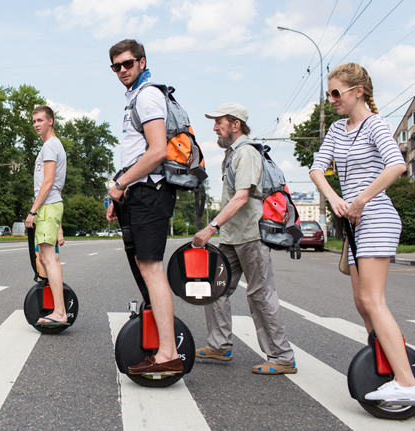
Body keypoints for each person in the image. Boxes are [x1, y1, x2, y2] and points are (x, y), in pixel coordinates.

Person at [309, 63, 415, 402]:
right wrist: (334, 198)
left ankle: (407, 383)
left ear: (358, 91)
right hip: (354, 221)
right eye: (329, 94)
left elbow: (397, 165)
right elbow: (317, 168)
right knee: (361, 302)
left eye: (336, 93)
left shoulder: (375, 124)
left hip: (376, 217)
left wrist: (360, 200)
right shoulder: (338, 130)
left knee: (373, 300)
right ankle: (384, 363)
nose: (331, 100)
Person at [192, 103, 297, 374]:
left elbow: (241, 197)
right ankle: (219, 344)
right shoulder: (232, 154)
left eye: (219, 122)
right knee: (213, 288)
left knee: (260, 294)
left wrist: (210, 228)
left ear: (235, 125)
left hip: (251, 236)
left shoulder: (247, 153)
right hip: (232, 237)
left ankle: (282, 357)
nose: (215, 127)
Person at [106, 39, 182, 375]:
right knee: (145, 267)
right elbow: (137, 155)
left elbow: (157, 152)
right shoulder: (133, 98)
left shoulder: (148, 95)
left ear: (141, 62)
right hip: (137, 192)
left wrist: (120, 185)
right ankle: (162, 344)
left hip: (151, 192)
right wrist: (119, 192)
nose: (122, 70)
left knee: (152, 269)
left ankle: (168, 354)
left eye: (127, 64)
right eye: (116, 66)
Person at [25, 105, 68, 326]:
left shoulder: (51, 146)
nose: (36, 125)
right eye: (34, 121)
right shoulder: (49, 146)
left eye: (40, 120)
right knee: (43, 258)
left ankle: (60, 312)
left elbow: (48, 182)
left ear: (50, 121)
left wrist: (33, 210)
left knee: (49, 259)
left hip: (48, 205)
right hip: (48, 206)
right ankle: (58, 308)